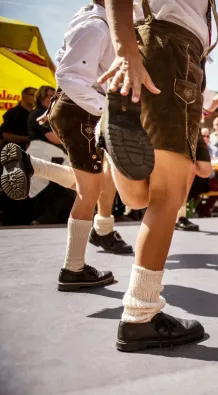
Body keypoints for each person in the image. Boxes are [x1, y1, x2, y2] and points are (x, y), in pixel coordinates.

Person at [97, 0, 218, 352]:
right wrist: (126, 51)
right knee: (169, 197)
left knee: (141, 199)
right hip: (173, 54)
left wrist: (127, 50)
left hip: (161, 49)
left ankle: (107, 133)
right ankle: (139, 314)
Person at [1, 1, 133, 286]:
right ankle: (73, 269)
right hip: (84, 113)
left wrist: (60, 104)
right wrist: (108, 111)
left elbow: (64, 63)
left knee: (91, 185)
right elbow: (70, 75)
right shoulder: (96, 26)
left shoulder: (90, 20)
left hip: (78, 111)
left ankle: (31, 164)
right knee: (90, 191)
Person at [175, 75, 218, 231]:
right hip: (174, 128)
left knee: (201, 170)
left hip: (193, 130)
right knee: (176, 173)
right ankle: (177, 216)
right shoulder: (173, 69)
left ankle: (179, 214)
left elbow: (209, 106)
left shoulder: (199, 79)